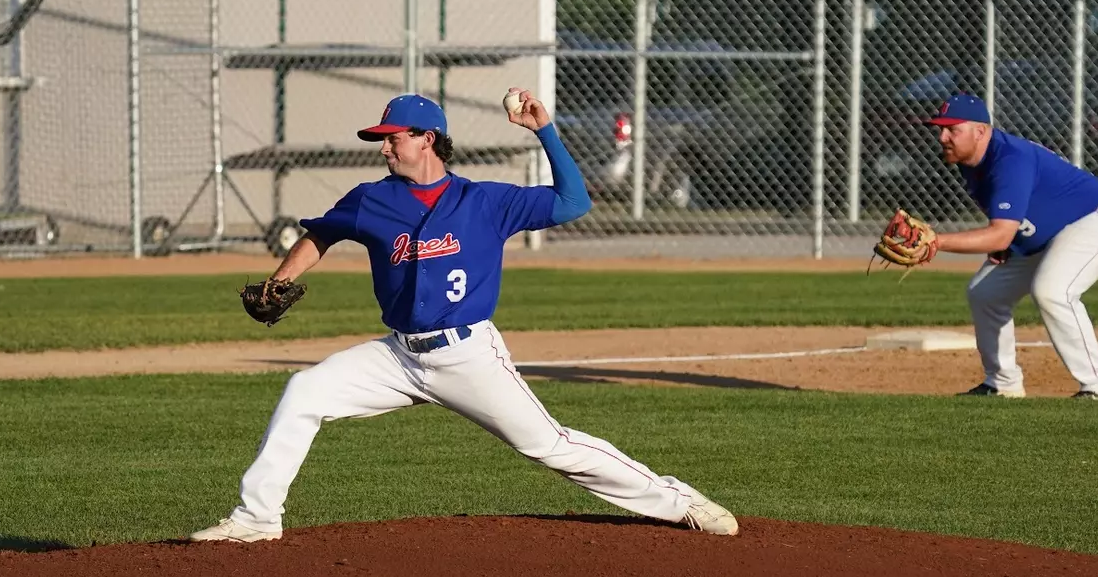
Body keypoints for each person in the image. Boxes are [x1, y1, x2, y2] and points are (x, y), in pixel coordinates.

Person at [191, 89, 738, 542]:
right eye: (382, 140)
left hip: (469, 355)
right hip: (399, 355)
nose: (384, 149)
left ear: (427, 140)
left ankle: (675, 501)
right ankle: (256, 519)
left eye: (393, 138)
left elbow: (574, 204)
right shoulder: (371, 200)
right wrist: (283, 277)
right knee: (304, 392)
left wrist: (543, 130)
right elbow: (322, 233)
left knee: (551, 446)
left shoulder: (486, 201)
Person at [921, 93, 1098, 399]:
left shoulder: (1010, 159)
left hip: (1092, 220)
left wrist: (936, 242)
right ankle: (1002, 383)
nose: (943, 137)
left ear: (980, 131)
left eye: (952, 129)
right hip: (1044, 236)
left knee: (1053, 291)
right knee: (985, 293)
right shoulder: (970, 159)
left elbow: (999, 233)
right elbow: (1008, 221)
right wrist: (1007, 241)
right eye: (941, 128)